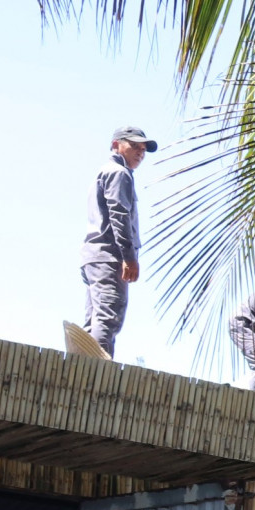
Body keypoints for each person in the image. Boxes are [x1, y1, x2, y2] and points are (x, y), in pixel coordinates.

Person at [79, 127, 154, 357]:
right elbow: (119, 215)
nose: (140, 152)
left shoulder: (107, 172)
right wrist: (128, 257)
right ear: (116, 145)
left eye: (143, 149)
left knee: (94, 323)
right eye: (134, 146)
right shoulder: (118, 173)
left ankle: (84, 374)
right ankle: (96, 381)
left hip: (95, 256)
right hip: (109, 257)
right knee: (108, 320)